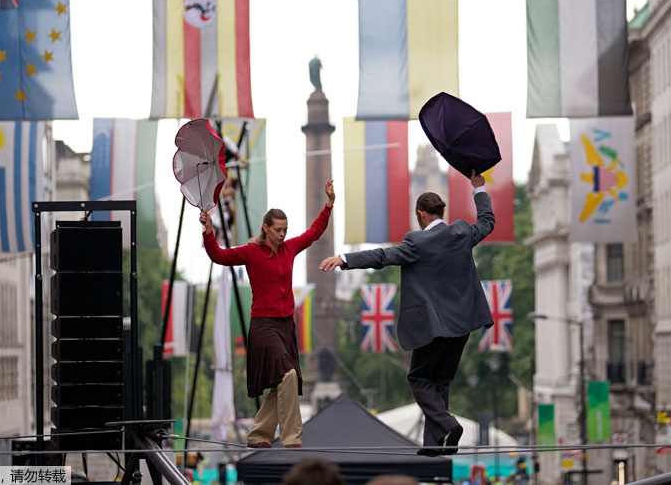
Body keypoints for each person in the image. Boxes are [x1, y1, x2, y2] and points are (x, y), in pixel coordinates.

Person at [320, 171, 494, 456]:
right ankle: (437, 445)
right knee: (440, 382)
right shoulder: (462, 232)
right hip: (463, 324)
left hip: (433, 327)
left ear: (420, 214)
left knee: (418, 378)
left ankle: (448, 425)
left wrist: (345, 259)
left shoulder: (417, 242)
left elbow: (383, 256)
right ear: (441, 212)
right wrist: (479, 189)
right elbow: (487, 222)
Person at [200, 179, 336, 449]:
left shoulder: (289, 249)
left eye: (285, 229)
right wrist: (209, 231)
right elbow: (219, 256)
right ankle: (292, 437)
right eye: (278, 230)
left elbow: (314, 232)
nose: (283, 234)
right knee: (288, 375)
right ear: (265, 228)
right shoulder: (252, 253)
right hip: (264, 325)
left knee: (281, 383)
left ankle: (258, 435)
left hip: (286, 326)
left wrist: (329, 204)